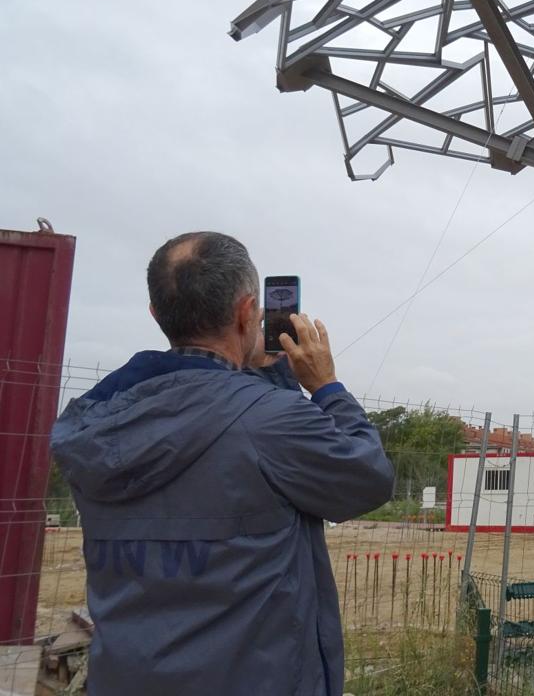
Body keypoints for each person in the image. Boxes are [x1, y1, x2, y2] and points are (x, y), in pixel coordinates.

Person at [51, 231, 395, 695]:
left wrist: (264, 376)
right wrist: (326, 387)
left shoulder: (91, 423)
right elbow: (367, 477)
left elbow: (220, 421)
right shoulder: (269, 422)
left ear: (157, 314)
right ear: (246, 312)